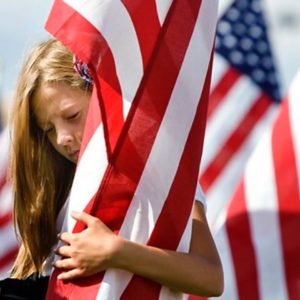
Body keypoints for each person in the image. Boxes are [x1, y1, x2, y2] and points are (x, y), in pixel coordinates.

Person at [9, 39, 223, 297]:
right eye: (49, 130)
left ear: (102, 97)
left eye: (72, 116)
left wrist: (117, 252)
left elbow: (211, 276)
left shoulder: (157, 170)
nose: (62, 137)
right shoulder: (57, 192)